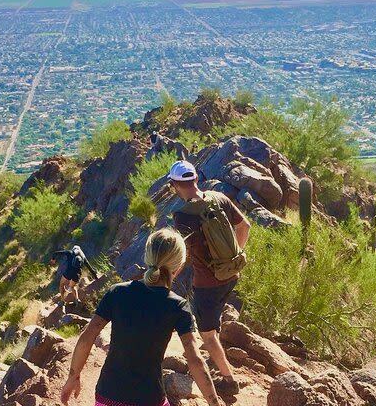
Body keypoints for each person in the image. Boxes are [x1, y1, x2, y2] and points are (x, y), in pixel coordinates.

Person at [60, 229, 224, 406]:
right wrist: (214, 402)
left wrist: (73, 377)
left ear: (147, 257)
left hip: (108, 395)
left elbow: (87, 337)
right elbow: (195, 361)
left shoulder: (117, 292)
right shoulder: (177, 306)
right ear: (179, 266)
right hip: (149, 398)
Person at [169, 160, 250, 395]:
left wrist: (168, 278)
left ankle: (228, 379)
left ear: (175, 185)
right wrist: (234, 258)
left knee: (206, 334)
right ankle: (218, 353)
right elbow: (244, 226)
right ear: (196, 179)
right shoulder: (220, 198)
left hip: (206, 283)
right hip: (232, 274)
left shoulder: (183, 216)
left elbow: (181, 255)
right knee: (213, 320)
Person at [51, 245, 99, 311]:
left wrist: (53, 259)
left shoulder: (70, 252)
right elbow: (90, 269)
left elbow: (56, 253)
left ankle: (62, 301)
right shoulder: (83, 257)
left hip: (68, 272)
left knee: (62, 284)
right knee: (72, 286)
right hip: (77, 275)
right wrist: (96, 278)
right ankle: (77, 300)